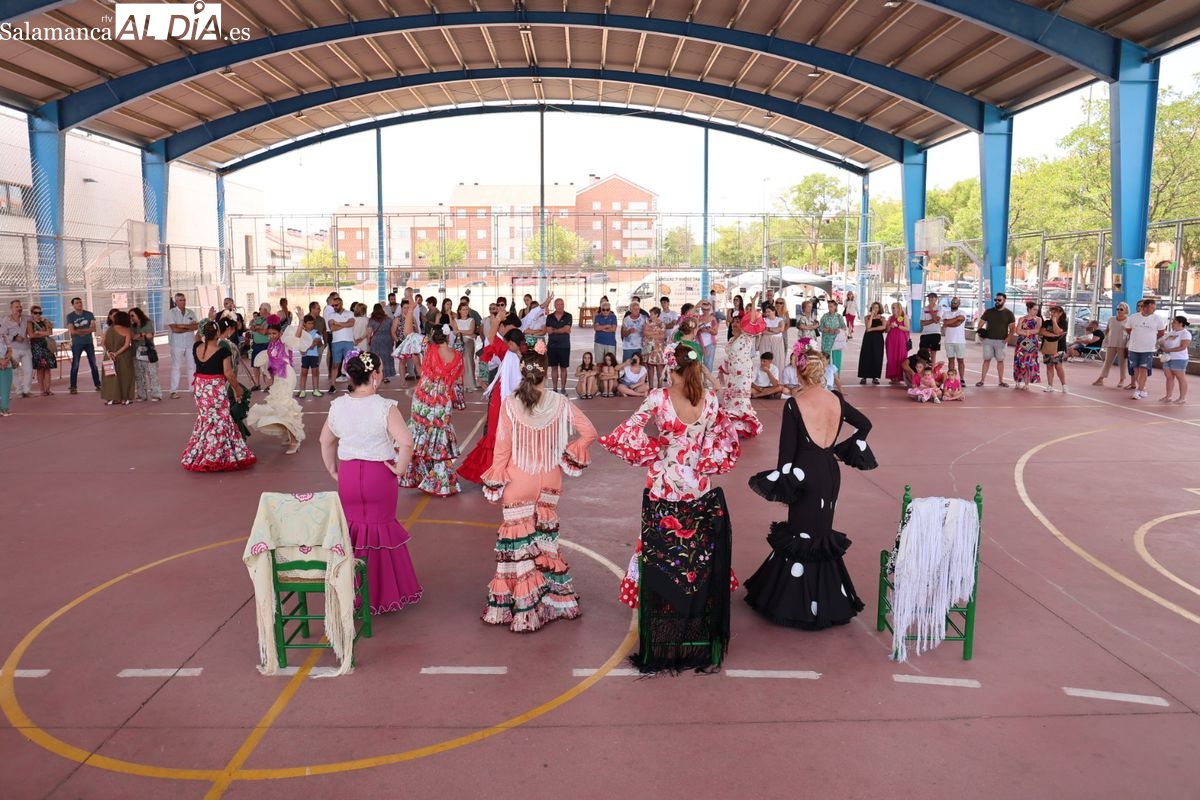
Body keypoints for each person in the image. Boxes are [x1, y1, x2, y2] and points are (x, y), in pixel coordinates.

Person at [601, 342, 741, 672]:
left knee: (661, 545)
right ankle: (694, 604)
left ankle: (664, 604)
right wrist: (702, 459)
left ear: (670, 368)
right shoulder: (710, 400)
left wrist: (656, 450)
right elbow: (723, 439)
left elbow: (628, 432)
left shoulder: (658, 398)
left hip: (664, 481)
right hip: (699, 484)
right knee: (696, 547)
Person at [743, 347, 877, 630]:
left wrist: (784, 486)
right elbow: (864, 424)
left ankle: (795, 602)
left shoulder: (795, 404)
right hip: (829, 473)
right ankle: (826, 598)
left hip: (803, 474)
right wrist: (845, 449)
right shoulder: (836, 399)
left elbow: (785, 456)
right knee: (820, 531)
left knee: (800, 532)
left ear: (800, 372)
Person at [479, 346, 597, 632]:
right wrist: (571, 451)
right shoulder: (560, 402)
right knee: (545, 543)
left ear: (524, 373)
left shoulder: (510, 403)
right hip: (549, 480)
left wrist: (496, 479)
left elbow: (502, 447)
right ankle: (553, 601)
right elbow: (590, 432)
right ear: (546, 372)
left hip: (518, 479)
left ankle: (523, 609)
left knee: (519, 546)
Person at [320, 351, 422, 614]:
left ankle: (352, 591)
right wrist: (400, 469)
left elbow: (325, 440)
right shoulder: (384, 407)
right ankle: (382, 592)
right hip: (379, 476)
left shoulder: (338, 406)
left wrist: (333, 470)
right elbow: (406, 442)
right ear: (375, 374)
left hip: (349, 475)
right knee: (380, 530)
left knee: (352, 531)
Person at [181, 319, 256, 472]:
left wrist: (205, 322)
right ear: (217, 334)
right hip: (215, 388)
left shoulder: (197, 347)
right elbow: (229, 374)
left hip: (201, 388)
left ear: (204, 333)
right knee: (221, 419)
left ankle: (204, 453)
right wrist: (237, 389)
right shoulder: (222, 351)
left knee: (206, 419)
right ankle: (217, 456)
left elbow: (197, 337)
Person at [400, 324, 464, 496]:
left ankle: (418, 475)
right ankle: (440, 482)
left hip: (424, 398)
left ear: (433, 336)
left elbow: (407, 333)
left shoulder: (428, 348)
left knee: (420, 434)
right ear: (448, 337)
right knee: (439, 437)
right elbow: (457, 381)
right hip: (443, 400)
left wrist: (411, 311)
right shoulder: (457, 355)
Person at [459, 326, 524, 484]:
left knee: (497, 433)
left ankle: (495, 471)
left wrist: (496, 321)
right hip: (508, 399)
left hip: (504, 398)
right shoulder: (514, 355)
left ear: (510, 343)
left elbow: (491, 336)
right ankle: (499, 471)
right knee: (500, 434)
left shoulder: (509, 353)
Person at [246, 316, 307, 454]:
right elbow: (271, 365)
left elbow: (296, 337)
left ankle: (294, 440)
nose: (272, 336)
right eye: (269, 334)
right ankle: (287, 434)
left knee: (285, 406)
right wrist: (269, 377)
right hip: (277, 378)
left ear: (280, 333)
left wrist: (301, 322)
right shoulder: (270, 347)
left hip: (287, 376)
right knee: (277, 406)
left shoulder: (284, 343)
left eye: (274, 333)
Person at [977, 292, 1015, 387]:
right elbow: (980, 324)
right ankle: (982, 380)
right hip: (988, 340)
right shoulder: (989, 312)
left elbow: (1012, 329)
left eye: (999, 300)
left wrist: (1006, 340)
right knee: (986, 360)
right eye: (995, 300)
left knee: (1000, 361)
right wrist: (980, 335)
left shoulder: (1009, 314)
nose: (997, 301)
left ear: (1004, 301)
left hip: (1001, 341)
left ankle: (1001, 381)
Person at [65, 297, 100, 395]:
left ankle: (98, 384)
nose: (79, 304)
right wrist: (86, 330)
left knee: (93, 364)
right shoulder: (70, 316)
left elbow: (93, 329)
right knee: (75, 365)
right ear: (73, 305)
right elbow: (72, 331)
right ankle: (73, 386)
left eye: (80, 302)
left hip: (88, 343)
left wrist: (79, 330)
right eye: (77, 303)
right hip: (77, 344)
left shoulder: (89, 314)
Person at [100, 310, 135, 406]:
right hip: (124, 357)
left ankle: (111, 398)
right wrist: (116, 353)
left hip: (109, 357)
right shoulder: (126, 330)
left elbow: (102, 343)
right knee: (126, 377)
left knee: (110, 377)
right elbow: (127, 345)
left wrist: (108, 352)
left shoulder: (109, 329)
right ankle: (126, 398)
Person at [127, 307, 162, 402]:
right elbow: (131, 337)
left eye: (132, 315)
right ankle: (141, 395)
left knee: (152, 373)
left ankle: (156, 394)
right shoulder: (131, 327)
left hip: (147, 352)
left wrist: (139, 335)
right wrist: (142, 335)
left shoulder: (147, 323)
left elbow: (149, 335)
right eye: (130, 316)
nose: (131, 318)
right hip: (135, 353)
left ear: (138, 315)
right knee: (139, 375)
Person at [1094, 302, 1131, 388]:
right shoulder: (1111, 319)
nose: (1119, 311)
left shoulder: (1129, 320)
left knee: (1122, 363)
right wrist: (1106, 339)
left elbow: (1131, 332)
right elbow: (1107, 329)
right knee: (1107, 361)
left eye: (1121, 309)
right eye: (1117, 309)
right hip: (1111, 343)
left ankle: (1122, 379)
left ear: (1126, 310)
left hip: (1123, 344)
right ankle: (1101, 378)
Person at [1, 300, 32, 400]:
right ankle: (19, 391)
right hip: (13, 349)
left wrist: (45, 320)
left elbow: (36, 318)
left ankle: (26, 391)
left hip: (26, 348)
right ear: (11, 308)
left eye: (20, 306)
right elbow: (2, 335)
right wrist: (14, 337)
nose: (19, 308)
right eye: (16, 307)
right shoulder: (5, 320)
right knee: (14, 372)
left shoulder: (25, 318)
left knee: (29, 370)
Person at [325, 295, 356, 391]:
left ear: (341, 304)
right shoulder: (331, 315)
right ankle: (332, 385)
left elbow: (351, 323)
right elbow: (332, 328)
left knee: (349, 364)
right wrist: (345, 324)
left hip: (349, 342)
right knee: (335, 364)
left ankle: (350, 385)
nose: (334, 307)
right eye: (333, 305)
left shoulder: (350, 313)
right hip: (336, 342)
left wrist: (338, 323)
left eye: (336, 305)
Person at [1159, 315, 1190, 404]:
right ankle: (1168, 396)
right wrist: (1161, 345)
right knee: (1169, 378)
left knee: (1181, 378)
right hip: (1168, 358)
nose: (1172, 324)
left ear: (1181, 323)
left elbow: (1183, 347)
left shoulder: (1185, 333)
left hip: (1179, 359)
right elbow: (1163, 342)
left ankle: (1182, 398)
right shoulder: (1171, 333)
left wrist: (1168, 350)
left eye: (1174, 322)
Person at [1011, 301, 1042, 390]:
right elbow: (1018, 331)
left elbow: (1038, 330)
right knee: (1019, 361)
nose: (1036, 311)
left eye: (1037, 310)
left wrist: (1025, 332)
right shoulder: (1022, 319)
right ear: (1029, 309)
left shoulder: (1038, 319)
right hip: (1022, 342)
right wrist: (1029, 332)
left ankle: (1026, 383)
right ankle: (1017, 381)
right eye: (1034, 309)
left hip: (1031, 342)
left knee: (1029, 362)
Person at [27, 305, 57, 396]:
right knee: (40, 369)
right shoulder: (30, 323)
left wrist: (39, 332)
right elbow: (31, 335)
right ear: (32, 313)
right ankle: (42, 390)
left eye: (40, 313)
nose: (38, 315)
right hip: (37, 348)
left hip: (46, 347)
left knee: (47, 368)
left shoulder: (45, 321)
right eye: (35, 313)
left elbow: (50, 332)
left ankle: (48, 389)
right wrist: (44, 333)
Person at [545, 298, 573, 394]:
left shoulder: (568, 316)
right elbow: (548, 330)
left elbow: (566, 329)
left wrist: (554, 330)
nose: (560, 306)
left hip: (564, 346)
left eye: (562, 304)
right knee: (553, 368)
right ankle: (555, 389)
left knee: (563, 368)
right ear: (554, 306)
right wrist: (561, 330)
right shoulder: (550, 317)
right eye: (558, 304)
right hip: (552, 346)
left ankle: (563, 388)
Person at [1041, 306, 1069, 393]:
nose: (1052, 314)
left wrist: (1054, 322)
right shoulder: (1047, 322)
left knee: (1058, 365)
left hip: (1059, 347)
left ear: (1060, 313)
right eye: (1051, 312)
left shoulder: (1063, 323)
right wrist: (1053, 335)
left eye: (1054, 312)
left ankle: (1064, 385)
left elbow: (1058, 331)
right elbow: (1042, 332)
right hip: (1048, 346)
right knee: (1049, 366)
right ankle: (1050, 386)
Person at [857, 301, 886, 385]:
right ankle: (864, 377)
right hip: (868, 339)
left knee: (877, 357)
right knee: (866, 356)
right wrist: (872, 316)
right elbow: (868, 327)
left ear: (879, 308)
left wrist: (872, 329)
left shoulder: (882, 318)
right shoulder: (867, 317)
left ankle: (875, 377)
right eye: (873, 307)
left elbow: (883, 327)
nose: (875, 309)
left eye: (876, 307)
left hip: (878, 339)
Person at [367, 303, 396, 383]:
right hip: (387, 340)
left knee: (376, 358)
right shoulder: (388, 319)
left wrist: (368, 341)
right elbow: (392, 331)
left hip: (376, 340)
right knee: (386, 358)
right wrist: (392, 340)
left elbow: (369, 332)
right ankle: (385, 376)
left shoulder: (371, 320)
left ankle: (376, 376)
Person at [455, 301, 480, 390]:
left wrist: (460, 331)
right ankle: (461, 383)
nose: (465, 311)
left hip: (469, 341)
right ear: (459, 311)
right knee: (459, 362)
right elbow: (455, 332)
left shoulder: (471, 320)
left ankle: (470, 383)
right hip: (458, 341)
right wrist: (463, 332)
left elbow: (471, 331)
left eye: (466, 309)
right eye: (463, 309)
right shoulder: (456, 320)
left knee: (468, 360)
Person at [941, 296, 967, 379]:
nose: (953, 303)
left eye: (955, 302)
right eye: (952, 302)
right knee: (950, 360)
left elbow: (957, 323)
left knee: (960, 360)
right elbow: (946, 322)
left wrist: (949, 323)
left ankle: (962, 379)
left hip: (960, 341)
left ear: (959, 304)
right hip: (948, 340)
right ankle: (951, 378)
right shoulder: (946, 313)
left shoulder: (962, 312)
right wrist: (956, 319)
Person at [884, 302, 911, 383]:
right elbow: (886, 330)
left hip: (901, 340)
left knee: (900, 357)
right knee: (891, 358)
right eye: (892, 308)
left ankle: (899, 377)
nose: (892, 309)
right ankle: (892, 376)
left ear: (899, 308)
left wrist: (897, 326)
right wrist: (889, 326)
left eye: (894, 308)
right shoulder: (890, 318)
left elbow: (907, 328)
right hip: (891, 340)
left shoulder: (904, 316)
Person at [641, 306, 666, 389]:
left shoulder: (661, 323)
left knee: (659, 367)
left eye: (651, 314)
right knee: (650, 367)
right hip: (649, 348)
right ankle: (651, 386)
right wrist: (656, 333)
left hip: (658, 348)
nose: (650, 315)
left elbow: (662, 336)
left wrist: (650, 333)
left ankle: (660, 386)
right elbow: (645, 333)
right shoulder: (647, 322)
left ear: (656, 314)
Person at [248, 303, 272, 391]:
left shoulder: (270, 319)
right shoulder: (258, 318)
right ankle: (257, 384)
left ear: (265, 310)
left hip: (266, 345)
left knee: (266, 365)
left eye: (260, 309)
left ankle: (269, 384)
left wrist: (257, 328)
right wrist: (258, 327)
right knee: (255, 365)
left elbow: (264, 332)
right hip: (256, 345)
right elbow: (251, 327)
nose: (259, 310)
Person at [759, 302, 787, 368]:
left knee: (777, 358)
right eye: (766, 312)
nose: (767, 313)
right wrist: (775, 331)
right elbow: (763, 331)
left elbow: (781, 329)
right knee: (765, 358)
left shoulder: (780, 320)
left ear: (774, 311)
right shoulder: (764, 320)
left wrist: (769, 328)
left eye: (769, 312)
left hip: (777, 341)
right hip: (766, 340)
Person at [621, 298, 647, 362]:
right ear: (630, 310)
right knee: (627, 364)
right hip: (628, 347)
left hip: (641, 346)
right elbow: (622, 334)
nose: (637, 311)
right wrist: (629, 331)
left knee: (639, 365)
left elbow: (650, 330)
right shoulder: (626, 319)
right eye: (635, 309)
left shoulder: (644, 318)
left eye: (638, 309)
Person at [593, 296, 618, 363]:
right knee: (599, 362)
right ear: (601, 309)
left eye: (607, 309)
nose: (605, 311)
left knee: (610, 362)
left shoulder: (613, 316)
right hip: (599, 342)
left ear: (610, 309)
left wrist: (601, 328)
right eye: (603, 309)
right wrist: (607, 326)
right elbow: (596, 328)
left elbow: (613, 329)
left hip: (610, 343)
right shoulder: (597, 316)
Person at [0, 331, 11, 416]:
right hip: (2, 364)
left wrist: (6, 360)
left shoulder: (4, 337)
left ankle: (4, 408)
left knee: (5, 389)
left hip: (6, 365)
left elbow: (10, 350)